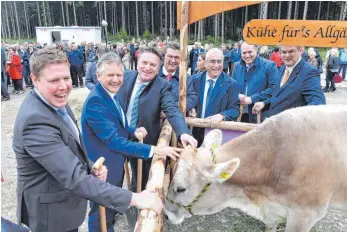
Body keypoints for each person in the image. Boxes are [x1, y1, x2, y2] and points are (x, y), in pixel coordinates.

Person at [12, 48, 165, 232]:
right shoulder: (35, 120)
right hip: (50, 214)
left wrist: (90, 165)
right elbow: (75, 178)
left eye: (66, 78)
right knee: (99, 216)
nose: (63, 86)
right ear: (34, 79)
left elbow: (71, 144)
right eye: (54, 80)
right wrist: (135, 198)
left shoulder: (55, 100)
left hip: (63, 204)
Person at [81, 52, 183, 232]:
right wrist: (154, 150)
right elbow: (114, 142)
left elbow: (119, 121)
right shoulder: (96, 100)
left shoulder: (109, 94)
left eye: (118, 75)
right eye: (110, 75)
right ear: (98, 76)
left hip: (114, 162)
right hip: (103, 166)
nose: (115, 79)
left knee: (109, 210)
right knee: (100, 213)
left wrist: (132, 131)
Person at [253, 46, 326, 117]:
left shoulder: (309, 71)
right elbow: (280, 96)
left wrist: (294, 120)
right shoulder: (283, 68)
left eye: (291, 51)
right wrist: (264, 103)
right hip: (275, 124)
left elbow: (318, 103)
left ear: (300, 50)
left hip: (291, 127)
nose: (287, 55)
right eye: (284, 52)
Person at [192, 48, 240, 146]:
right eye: (212, 61)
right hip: (194, 134)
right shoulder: (194, 80)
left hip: (217, 137)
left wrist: (222, 115)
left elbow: (235, 110)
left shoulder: (231, 84)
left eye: (219, 62)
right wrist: (190, 108)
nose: (216, 65)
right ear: (205, 63)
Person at [232, 42, 278, 123]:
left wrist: (252, 99)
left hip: (260, 114)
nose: (247, 55)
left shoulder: (269, 65)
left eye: (250, 52)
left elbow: (274, 88)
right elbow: (232, 87)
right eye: (244, 53)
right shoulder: (236, 66)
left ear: (256, 50)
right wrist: (237, 95)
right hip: (240, 113)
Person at [157, 42, 198, 114]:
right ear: (164, 56)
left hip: (175, 121)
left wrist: (171, 108)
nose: (173, 60)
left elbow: (192, 99)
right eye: (170, 56)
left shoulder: (186, 78)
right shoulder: (154, 74)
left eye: (176, 57)